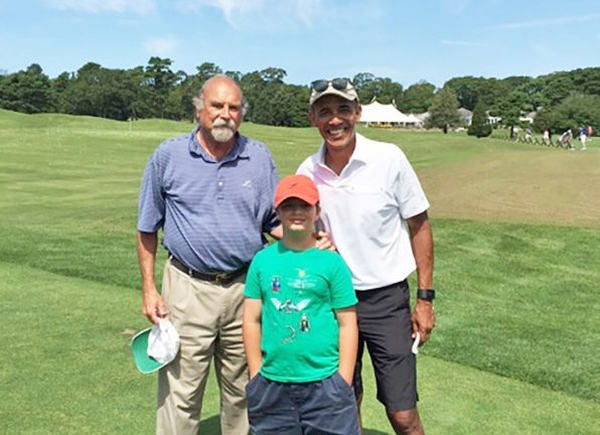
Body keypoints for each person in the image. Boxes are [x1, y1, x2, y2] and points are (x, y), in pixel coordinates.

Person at [136, 74, 281, 435]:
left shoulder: (258, 157)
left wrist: (310, 238)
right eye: (217, 106)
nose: (225, 115)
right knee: (180, 392)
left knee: (244, 391)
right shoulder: (168, 155)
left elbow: (273, 222)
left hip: (245, 289)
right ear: (200, 109)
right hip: (187, 287)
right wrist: (149, 289)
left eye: (234, 108)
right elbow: (146, 227)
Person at [297, 78, 436, 435]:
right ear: (313, 118)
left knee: (403, 414)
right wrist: (312, 241)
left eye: (343, 109)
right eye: (324, 111)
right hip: (334, 303)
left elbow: (418, 224)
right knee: (345, 403)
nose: (335, 119)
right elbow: (297, 229)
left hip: (387, 300)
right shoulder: (307, 171)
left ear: (357, 113)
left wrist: (424, 298)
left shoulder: (388, 158)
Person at [243, 174, 360, 435]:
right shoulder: (262, 261)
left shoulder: (332, 262)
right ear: (278, 212)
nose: (297, 212)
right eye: (288, 206)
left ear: (316, 210)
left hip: (325, 385)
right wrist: (255, 375)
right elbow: (251, 320)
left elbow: (347, 323)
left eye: (304, 206)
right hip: (272, 384)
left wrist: (344, 379)